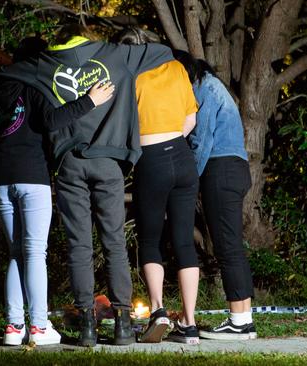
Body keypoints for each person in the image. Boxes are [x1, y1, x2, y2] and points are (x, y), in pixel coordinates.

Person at [0, 24, 174, 346]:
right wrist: (121, 59)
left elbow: (4, 76)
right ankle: (121, 324)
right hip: (109, 163)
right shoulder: (117, 55)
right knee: (114, 242)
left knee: (80, 245)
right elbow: (165, 52)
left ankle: (88, 327)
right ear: (86, 37)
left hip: (69, 163)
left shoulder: (45, 64)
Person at [0, 36, 116, 346]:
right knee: (35, 252)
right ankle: (38, 327)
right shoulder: (34, 85)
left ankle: (13, 328)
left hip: (0, 181)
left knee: (15, 253)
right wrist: (90, 100)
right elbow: (52, 120)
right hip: (32, 177)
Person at [116, 27, 201, 345]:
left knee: (150, 240)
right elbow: (190, 119)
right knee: (183, 242)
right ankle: (190, 324)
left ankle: (158, 311)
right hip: (182, 157)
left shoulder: (129, 75)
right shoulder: (176, 67)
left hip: (151, 160)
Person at [174, 50, 257, 340]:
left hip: (221, 169)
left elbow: (201, 140)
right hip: (235, 167)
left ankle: (238, 319)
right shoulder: (214, 85)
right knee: (232, 244)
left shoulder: (205, 89)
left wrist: (187, 180)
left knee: (226, 246)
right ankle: (244, 318)